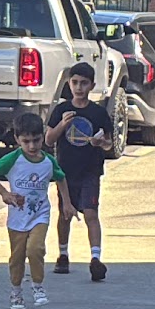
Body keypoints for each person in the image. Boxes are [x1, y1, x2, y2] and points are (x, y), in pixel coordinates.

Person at [46, 63, 119, 281]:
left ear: (92, 85)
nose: (79, 87)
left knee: (91, 213)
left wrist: (100, 142)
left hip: (90, 170)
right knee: (65, 213)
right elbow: (49, 139)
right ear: (69, 83)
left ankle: (95, 258)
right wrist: (62, 125)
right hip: (66, 172)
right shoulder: (61, 110)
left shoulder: (97, 112)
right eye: (75, 82)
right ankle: (63, 254)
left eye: (84, 83)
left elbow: (108, 143)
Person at [0, 113, 58, 309]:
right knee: (17, 257)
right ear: (17, 139)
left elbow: (61, 178)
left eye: (36, 140)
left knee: (35, 249)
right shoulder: (13, 159)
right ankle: (16, 290)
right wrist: (4, 193)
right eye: (26, 141)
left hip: (40, 214)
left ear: (43, 137)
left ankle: (37, 286)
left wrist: (66, 203)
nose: (32, 146)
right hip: (17, 217)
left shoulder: (48, 162)